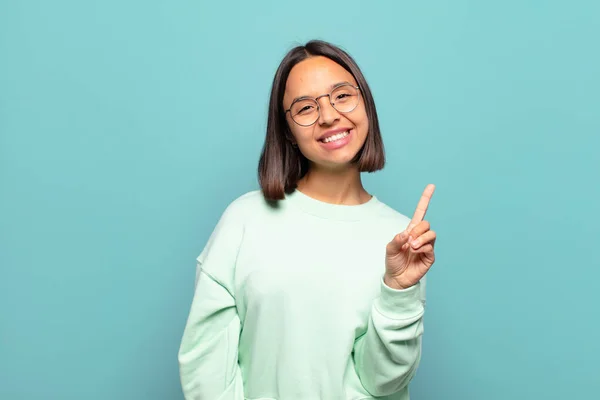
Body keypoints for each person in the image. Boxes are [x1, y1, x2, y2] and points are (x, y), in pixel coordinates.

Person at [178, 39, 437, 400]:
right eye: (305, 107)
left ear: (365, 103)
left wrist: (399, 290)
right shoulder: (244, 220)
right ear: (288, 132)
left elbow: (383, 382)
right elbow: (205, 367)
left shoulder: (401, 240)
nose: (329, 115)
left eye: (342, 96)